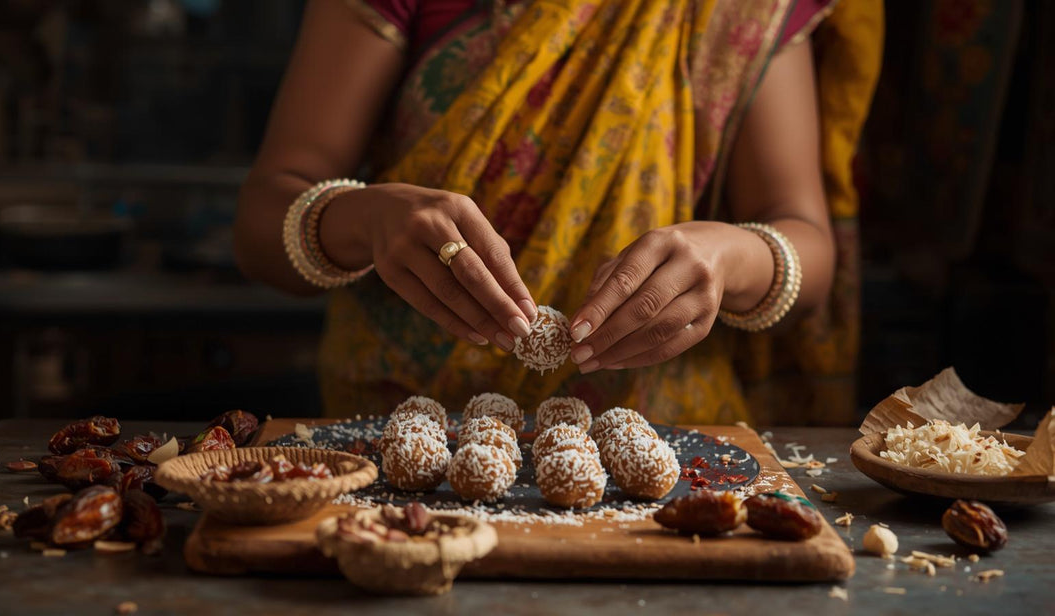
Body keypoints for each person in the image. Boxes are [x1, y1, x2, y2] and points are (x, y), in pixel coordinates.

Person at [234, 0, 883, 425]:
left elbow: (808, 244)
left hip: (662, 443)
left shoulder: (739, 10)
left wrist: (727, 258)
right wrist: (362, 218)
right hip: (400, 433)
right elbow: (260, 224)